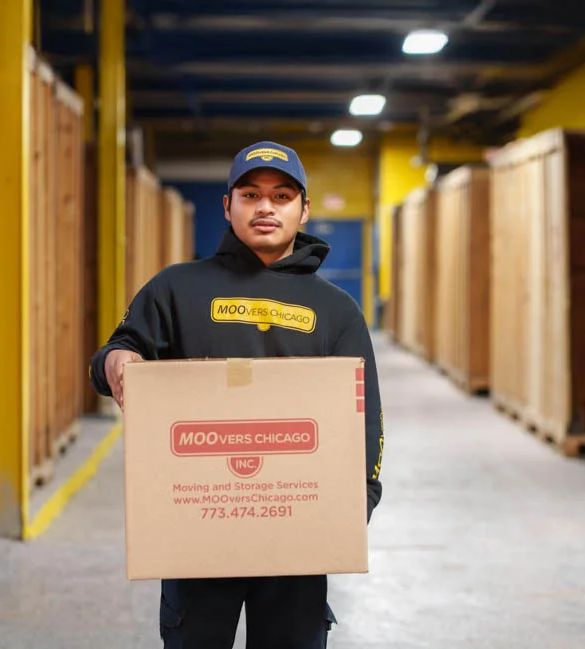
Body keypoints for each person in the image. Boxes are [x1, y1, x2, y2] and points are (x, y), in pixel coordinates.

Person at [88, 141, 384, 649]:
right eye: (250, 194)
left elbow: (364, 418)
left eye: (282, 195)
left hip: (297, 533)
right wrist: (116, 361)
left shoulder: (336, 311)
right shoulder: (176, 289)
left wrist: (351, 506)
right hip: (199, 525)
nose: (265, 207)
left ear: (303, 209)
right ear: (228, 206)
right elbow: (121, 348)